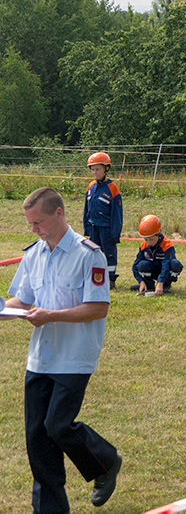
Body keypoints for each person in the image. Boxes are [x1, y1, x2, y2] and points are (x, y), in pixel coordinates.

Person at [5, 188, 121, 512]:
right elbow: (22, 300)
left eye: (38, 222)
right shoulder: (33, 254)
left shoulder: (89, 254)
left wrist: (51, 316)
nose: (34, 230)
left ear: (59, 214)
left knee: (57, 425)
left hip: (74, 357)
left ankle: (105, 462)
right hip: (40, 358)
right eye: (30, 224)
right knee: (37, 439)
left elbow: (98, 308)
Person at [83, 152, 123, 290]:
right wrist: (86, 227)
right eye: (92, 169)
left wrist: (115, 233)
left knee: (109, 254)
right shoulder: (90, 187)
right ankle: (96, 279)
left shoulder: (112, 188)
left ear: (106, 169)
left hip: (106, 229)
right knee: (93, 254)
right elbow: (86, 209)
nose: (95, 172)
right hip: (94, 227)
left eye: (98, 169)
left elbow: (117, 214)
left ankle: (111, 279)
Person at [130, 214, 183, 296]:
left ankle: (166, 285)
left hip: (165, 271)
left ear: (158, 234)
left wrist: (160, 282)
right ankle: (148, 286)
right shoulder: (144, 246)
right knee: (142, 264)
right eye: (146, 239)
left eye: (151, 239)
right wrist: (141, 281)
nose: (148, 242)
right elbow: (135, 266)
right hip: (153, 270)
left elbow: (166, 265)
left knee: (175, 264)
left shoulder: (167, 246)